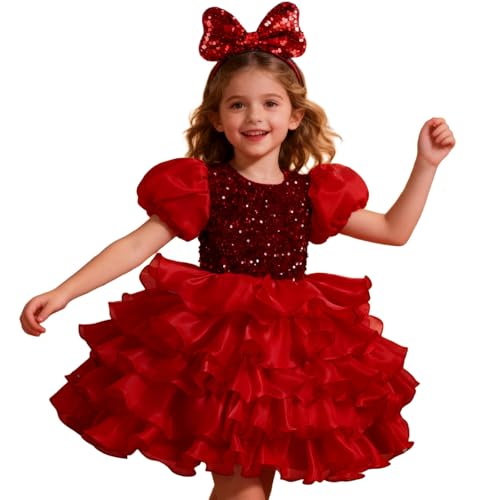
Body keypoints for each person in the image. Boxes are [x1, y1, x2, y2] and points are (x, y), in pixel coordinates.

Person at [20, 3, 455, 500]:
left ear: (295, 116)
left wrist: (426, 164)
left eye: (270, 103)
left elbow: (394, 231)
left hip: (282, 359)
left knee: (250, 487)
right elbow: (136, 245)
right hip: (218, 355)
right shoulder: (201, 186)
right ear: (216, 119)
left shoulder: (312, 193)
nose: (254, 116)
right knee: (245, 489)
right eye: (237, 105)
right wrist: (63, 293)